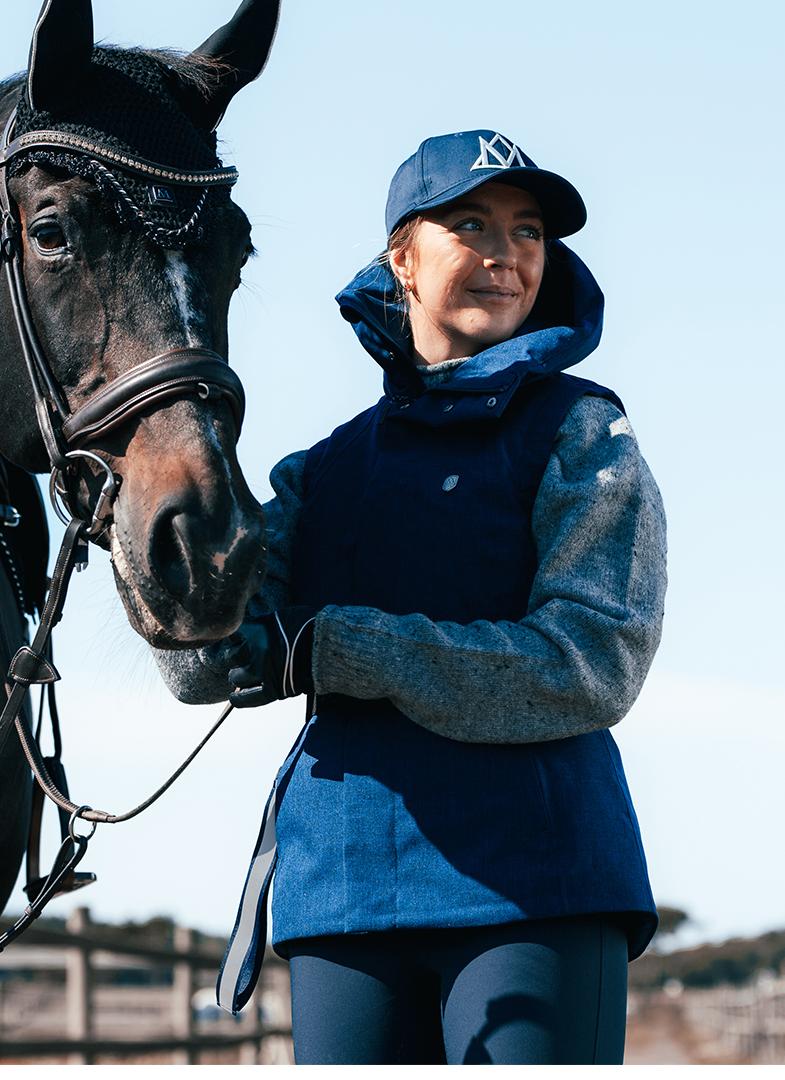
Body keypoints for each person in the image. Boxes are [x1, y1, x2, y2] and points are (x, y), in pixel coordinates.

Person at [153, 129, 667, 1065]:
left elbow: (592, 667)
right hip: (343, 886)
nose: (503, 255)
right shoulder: (324, 467)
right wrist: (148, 512)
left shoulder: (582, 433)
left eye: (526, 232)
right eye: (468, 224)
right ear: (401, 256)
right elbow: (208, 661)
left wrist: (346, 648)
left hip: (536, 885)